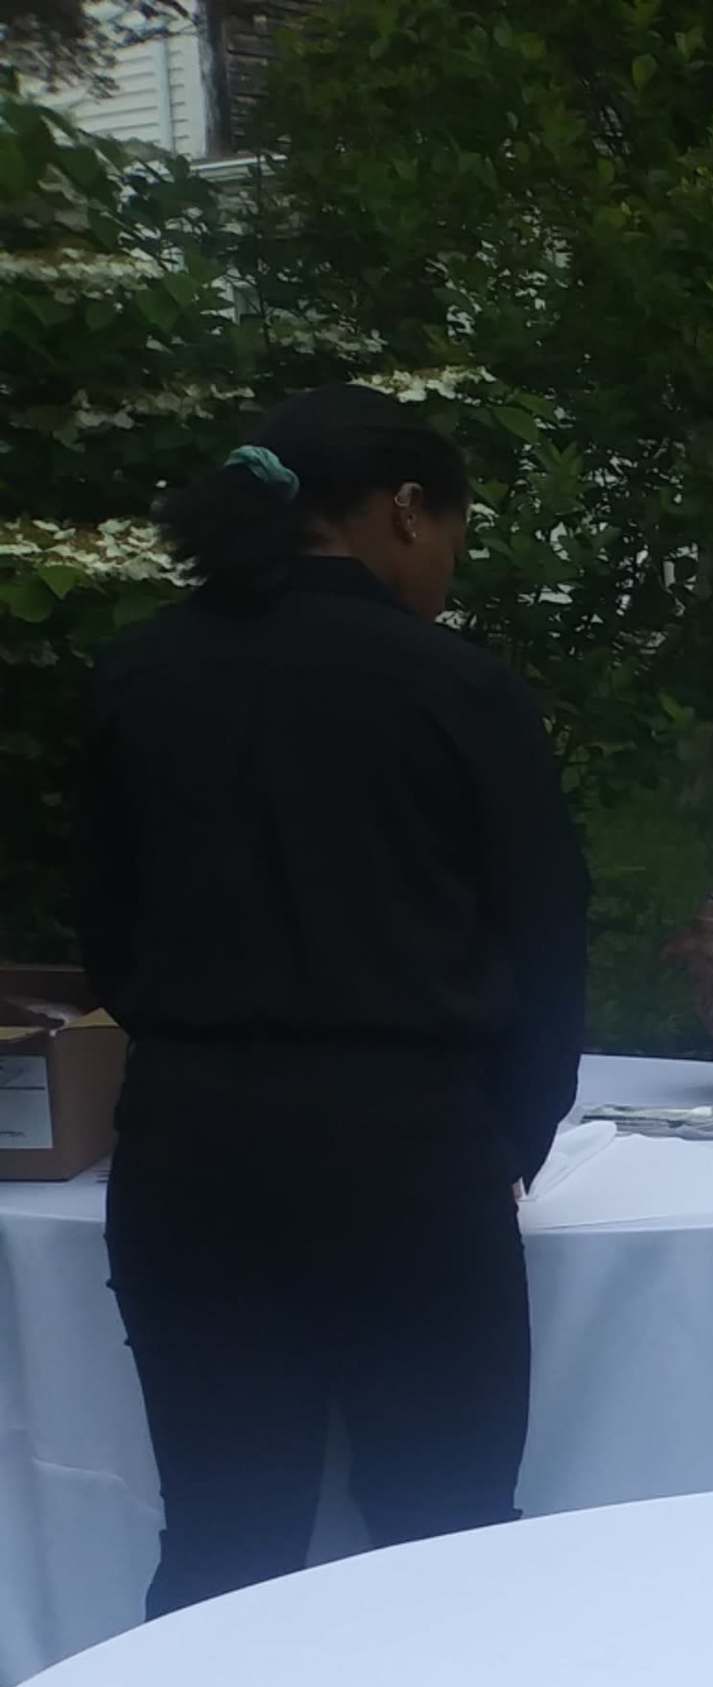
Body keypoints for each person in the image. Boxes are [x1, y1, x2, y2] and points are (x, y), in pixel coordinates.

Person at [75, 384, 588, 1617]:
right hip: (407, 1151)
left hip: (191, 1149)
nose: (453, 562)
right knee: (448, 1537)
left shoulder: (138, 674)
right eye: (456, 529)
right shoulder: (454, 686)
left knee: (221, 1537)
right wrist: (507, 1135)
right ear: (406, 512)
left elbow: (107, 929)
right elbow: (547, 934)